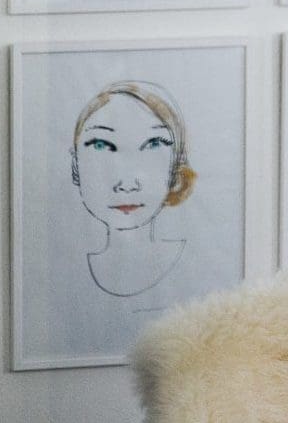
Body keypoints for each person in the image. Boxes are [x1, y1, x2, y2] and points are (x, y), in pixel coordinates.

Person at [69, 81, 195, 297]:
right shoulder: (64, 275)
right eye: (101, 145)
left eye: (154, 144)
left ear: (176, 164)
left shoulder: (198, 266)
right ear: (75, 164)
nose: (127, 184)